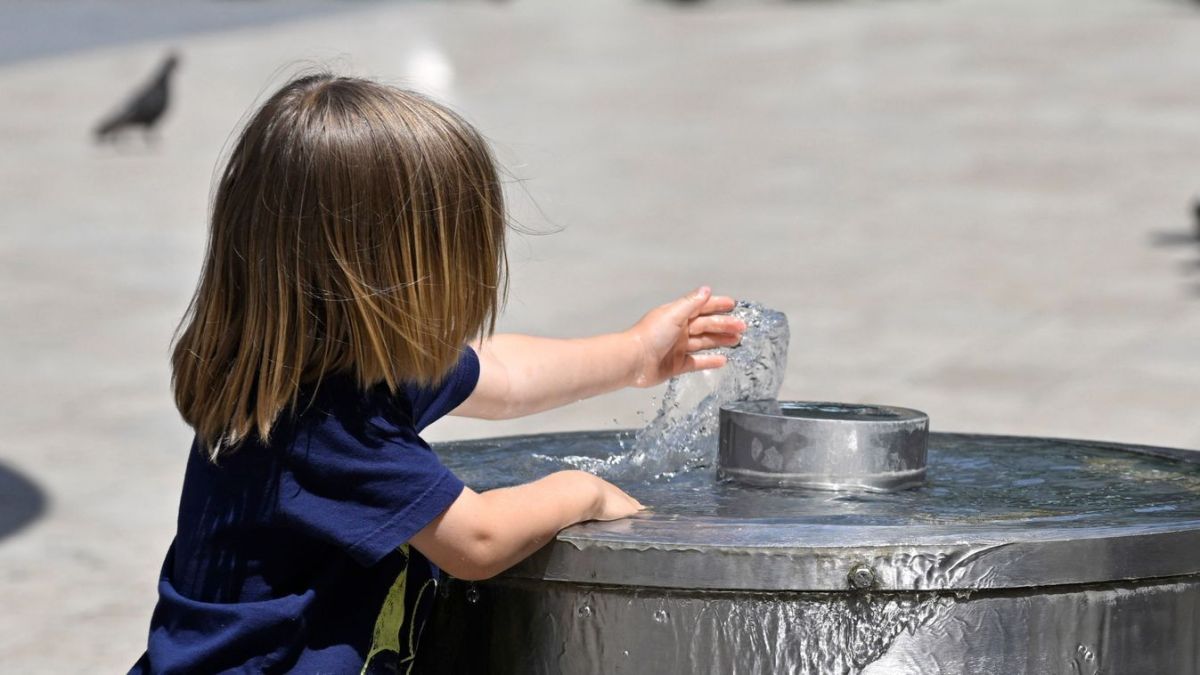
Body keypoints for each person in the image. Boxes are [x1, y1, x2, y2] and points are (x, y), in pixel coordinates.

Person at [130, 74, 745, 674]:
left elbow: (503, 374)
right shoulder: (324, 425)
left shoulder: (320, 371)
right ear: (390, 273)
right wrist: (579, 490)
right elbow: (478, 541)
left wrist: (636, 354)